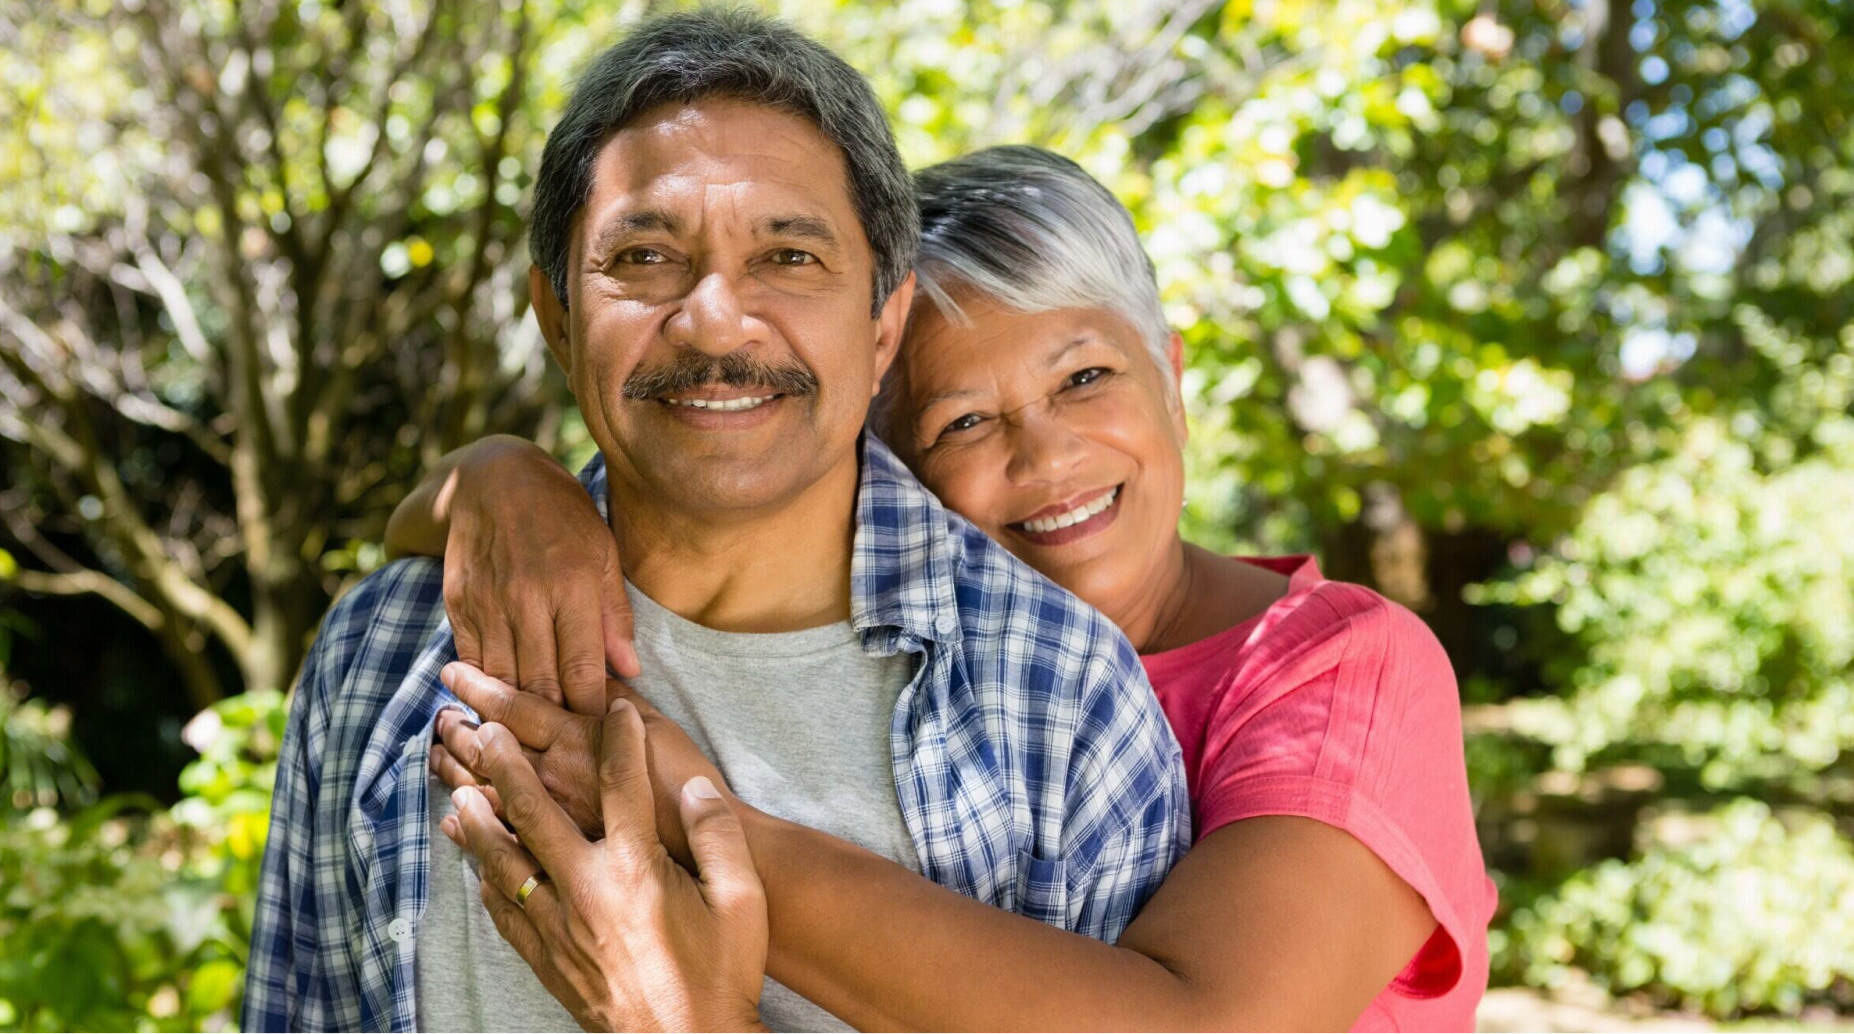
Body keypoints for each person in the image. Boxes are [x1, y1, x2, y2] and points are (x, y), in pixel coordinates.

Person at [395, 145, 1498, 1030]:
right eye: (962, 420)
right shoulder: (879, 670)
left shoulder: (1336, 667)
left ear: (1170, 372)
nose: (1045, 452)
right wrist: (495, 475)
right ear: (881, 466)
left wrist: (686, 823)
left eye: (1085, 377)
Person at [241, 11, 1189, 1032]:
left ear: (881, 325)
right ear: (557, 316)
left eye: (787, 256)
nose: (713, 320)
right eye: (644, 256)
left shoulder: (1057, 700)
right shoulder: (386, 649)